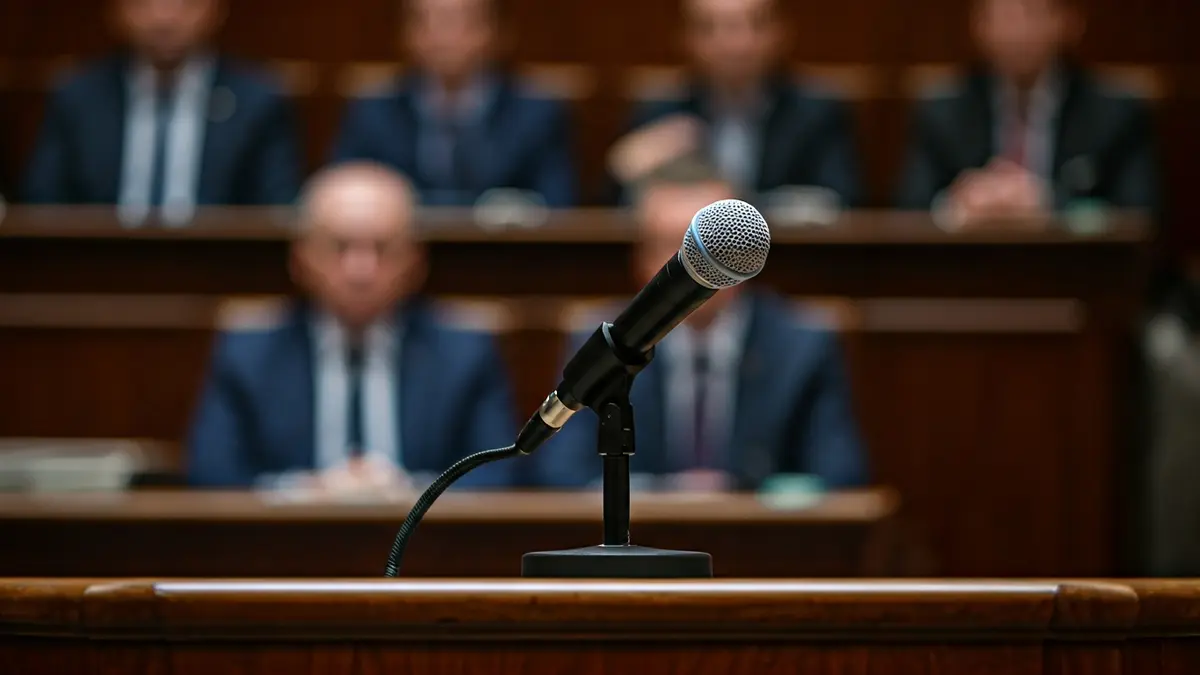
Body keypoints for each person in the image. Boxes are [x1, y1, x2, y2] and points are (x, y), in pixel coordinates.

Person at [529, 165, 868, 490]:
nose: (695, 269)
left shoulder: (802, 347)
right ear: (641, 259)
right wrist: (664, 494)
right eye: (675, 245)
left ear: (745, 258)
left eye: (714, 248)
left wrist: (747, 494)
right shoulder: (606, 344)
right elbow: (561, 476)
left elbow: (839, 477)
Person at [187, 162, 517, 490]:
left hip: (426, 541)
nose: (361, 270)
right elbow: (212, 476)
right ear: (300, 257)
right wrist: (306, 493)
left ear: (416, 261)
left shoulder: (464, 355)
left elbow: (496, 478)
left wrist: (407, 495)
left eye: (383, 248)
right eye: (339, 246)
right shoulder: (248, 356)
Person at [894, 0, 1160, 225]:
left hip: (1076, 274)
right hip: (968, 271)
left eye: (1031, 12)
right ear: (979, 26)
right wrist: (956, 203)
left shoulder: (1113, 114)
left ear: (1068, 22)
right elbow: (909, 212)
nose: (1017, 32)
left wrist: (1050, 204)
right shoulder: (943, 112)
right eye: (1005, 15)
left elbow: (1141, 216)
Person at [23, 0, 302, 213]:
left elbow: (276, 213)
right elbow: (41, 208)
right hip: (97, 274)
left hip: (218, 276)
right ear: (116, 8)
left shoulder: (257, 101)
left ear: (216, 7)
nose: (164, 16)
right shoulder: (78, 97)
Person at [607, 0, 862, 207]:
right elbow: (612, 212)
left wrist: (729, 203)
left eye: (755, 25)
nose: (737, 44)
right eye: (713, 28)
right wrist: (625, 165)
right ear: (686, 38)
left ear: (781, 32)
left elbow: (839, 203)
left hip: (787, 263)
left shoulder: (816, 112)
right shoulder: (660, 110)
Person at [330, 0, 577, 207]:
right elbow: (338, 195)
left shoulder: (536, 113)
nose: (442, 37)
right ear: (405, 35)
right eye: (426, 22)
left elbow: (558, 206)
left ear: (495, 32)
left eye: (456, 23)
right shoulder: (374, 111)